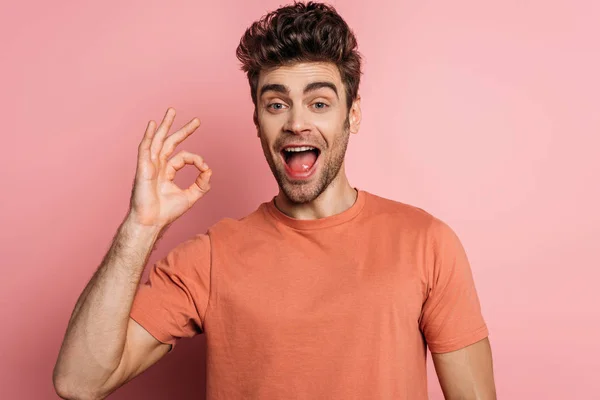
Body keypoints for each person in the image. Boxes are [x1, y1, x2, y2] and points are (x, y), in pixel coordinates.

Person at [53, 2, 497, 399]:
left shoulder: (427, 243)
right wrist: (140, 227)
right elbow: (79, 382)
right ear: (258, 120)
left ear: (353, 114)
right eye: (277, 104)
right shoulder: (211, 258)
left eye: (319, 103)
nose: (297, 123)